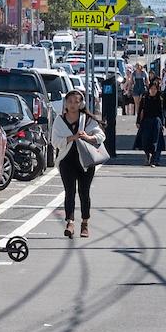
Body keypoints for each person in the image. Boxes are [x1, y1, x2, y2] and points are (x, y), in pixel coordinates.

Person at [50, 89, 106, 239]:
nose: (73, 104)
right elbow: (54, 141)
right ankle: (70, 222)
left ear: (82, 104)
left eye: (77, 101)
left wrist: (88, 137)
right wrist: (72, 138)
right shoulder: (59, 120)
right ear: (65, 104)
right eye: (70, 101)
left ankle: (85, 223)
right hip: (66, 161)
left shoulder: (87, 119)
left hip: (86, 161)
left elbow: (101, 135)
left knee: (84, 192)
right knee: (69, 192)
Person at [135, 79, 166, 167]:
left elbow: (162, 112)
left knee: (155, 141)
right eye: (151, 88)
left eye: (155, 89)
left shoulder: (160, 98)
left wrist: (163, 124)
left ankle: (153, 159)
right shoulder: (145, 98)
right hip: (146, 121)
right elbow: (140, 110)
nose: (153, 90)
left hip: (156, 122)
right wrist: (138, 121)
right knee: (145, 140)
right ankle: (147, 155)